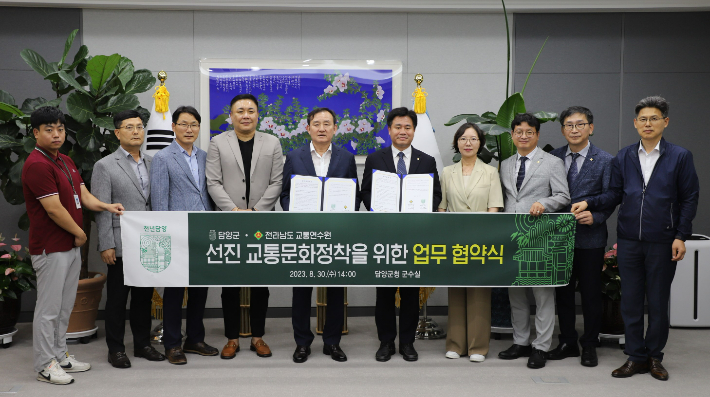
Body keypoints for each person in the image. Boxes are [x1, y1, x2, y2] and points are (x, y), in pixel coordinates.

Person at [572, 96, 699, 381]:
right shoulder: (625, 156)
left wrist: (681, 236)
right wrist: (589, 203)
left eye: (654, 118)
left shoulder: (680, 156)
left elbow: (689, 198)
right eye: (642, 119)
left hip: (663, 241)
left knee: (656, 301)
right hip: (628, 240)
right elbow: (615, 194)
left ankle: (655, 356)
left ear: (665, 122)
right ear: (635, 123)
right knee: (629, 301)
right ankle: (635, 356)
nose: (647, 124)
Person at [21, 106, 124, 384]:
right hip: (51, 247)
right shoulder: (37, 164)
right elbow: (53, 209)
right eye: (49, 129)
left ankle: (59, 354)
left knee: (64, 306)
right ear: (35, 133)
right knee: (49, 308)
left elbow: (83, 194)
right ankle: (45, 364)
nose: (56, 134)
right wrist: (80, 233)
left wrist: (106, 206)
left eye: (60, 129)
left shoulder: (64, 160)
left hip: (68, 247)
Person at [280, 107, 361, 364]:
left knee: (336, 290)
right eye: (317, 123)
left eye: (327, 123)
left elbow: (354, 193)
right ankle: (302, 343)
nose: (322, 128)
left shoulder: (347, 158)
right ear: (308, 128)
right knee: (302, 291)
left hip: (336, 233)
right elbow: (284, 194)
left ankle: (332, 342)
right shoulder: (294, 156)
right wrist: (295, 211)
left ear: (335, 128)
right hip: (304, 233)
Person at [361, 106, 442, 362]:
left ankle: (407, 342)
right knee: (384, 292)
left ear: (414, 131)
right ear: (389, 130)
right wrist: (378, 207)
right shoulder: (375, 159)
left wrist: (421, 210)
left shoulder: (426, 161)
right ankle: (386, 342)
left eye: (408, 127)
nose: (403, 131)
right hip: (383, 236)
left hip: (413, 235)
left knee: (410, 292)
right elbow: (365, 191)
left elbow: (436, 194)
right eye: (398, 126)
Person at [206, 94, 282, 360]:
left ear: (258, 115)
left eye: (251, 110)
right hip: (230, 220)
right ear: (232, 115)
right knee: (230, 284)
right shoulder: (218, 142)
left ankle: (258, 337)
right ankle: (232, 338)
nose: (246, 115)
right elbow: (213, 182)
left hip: (262, 221)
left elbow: (276, 182)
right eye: (240, 110)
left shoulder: (272, 142)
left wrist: (257, 211)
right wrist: (235, 211)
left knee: (260, 283)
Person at [92, 110, 166, 368]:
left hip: (148, 243)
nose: (136, 131)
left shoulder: (153, 162)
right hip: (120, 243)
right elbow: (101, 207)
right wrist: (106, 243)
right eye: (129, 127)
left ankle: (143, 344)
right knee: (116, 300)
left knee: (144, 298)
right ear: (117, 133)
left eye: (139, 127)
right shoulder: (105, 165)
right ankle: (116, 349)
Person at [497, 113, 570, 369]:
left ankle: (541, 346)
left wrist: (545, 203)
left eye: (529, 132)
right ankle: (520, 341)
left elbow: (563, 195)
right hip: (512, 237)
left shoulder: (552, 162)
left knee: (543, 295)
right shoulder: (505, 164)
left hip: (540, 237)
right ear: (513, 135)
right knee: (515, 293)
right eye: (519, 131)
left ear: (537, 135)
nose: (524, 136)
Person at [150, 106, 218, 365]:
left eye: (194, 125)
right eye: (184, 124)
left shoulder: (204, 156)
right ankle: (172, 344)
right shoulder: (163, 158)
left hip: (203, 232)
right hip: (176, 232)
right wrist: (166, 234)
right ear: (173, 127)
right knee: (175, 291)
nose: (189, 129)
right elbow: (158, 201)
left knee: (200, 289)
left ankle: (195, 339)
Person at [548, 106, 614, 368]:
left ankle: (589, 344)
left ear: (591, 127)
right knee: (562, 293)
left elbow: (612, 196)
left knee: (590, 294)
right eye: (568, 125)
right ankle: (567, 342)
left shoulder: (606, 160)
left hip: (590, 237)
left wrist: (596, 216)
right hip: (558, 238)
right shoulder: (552, 157)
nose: (574, 130)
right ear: (563, 129)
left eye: (579, 124)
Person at [438, 123, 503, 363]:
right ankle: (455, 344)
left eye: (473, 139)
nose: (468, 143)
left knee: (479, 293)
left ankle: (478, 347)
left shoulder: (490, 172)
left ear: (480, 143)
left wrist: (485, 236)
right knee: (455, 291)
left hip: (481, 239)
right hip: (454, 240)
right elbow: (442, 208)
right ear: (456, 143)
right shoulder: (447, 172)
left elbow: (494, 206)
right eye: (463, 138)